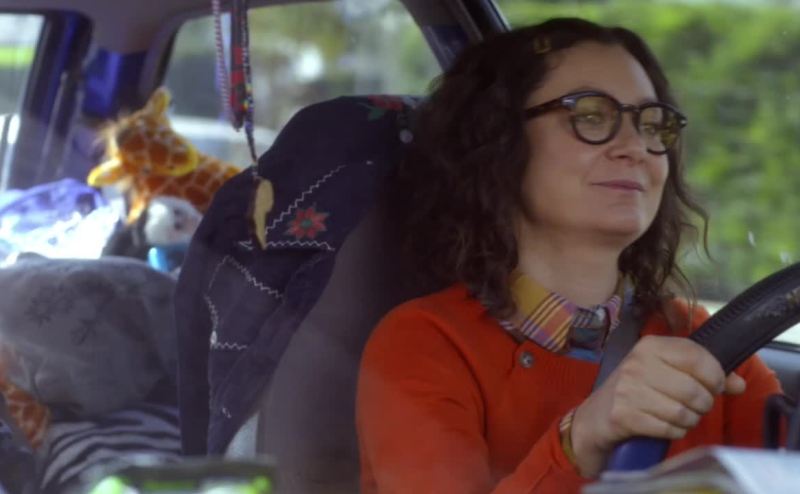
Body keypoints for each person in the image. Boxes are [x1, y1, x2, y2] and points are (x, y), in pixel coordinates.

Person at [355, 17, 782, 493]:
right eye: (591, 116)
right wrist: (582, 438)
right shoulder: (424, 343)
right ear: (498, 141)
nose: (636, 147)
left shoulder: (701, 339)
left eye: (651, 123)